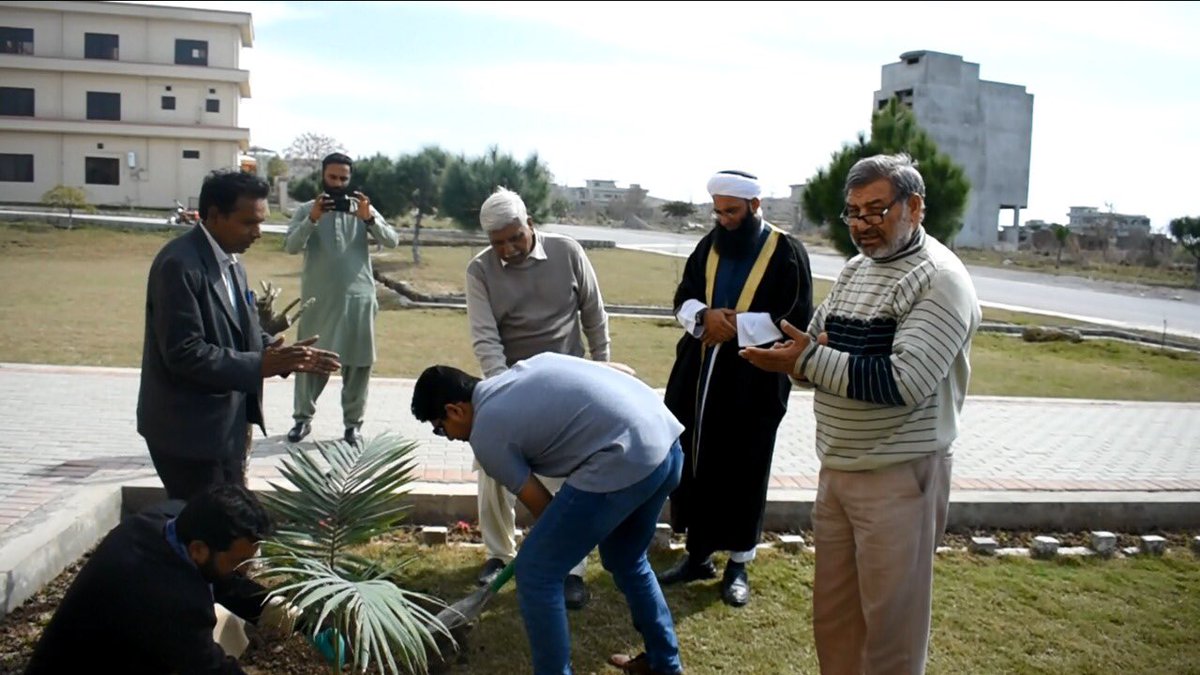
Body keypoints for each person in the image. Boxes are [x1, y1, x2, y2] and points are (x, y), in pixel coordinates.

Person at [741, 154, 981, 674]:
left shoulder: (938, 279)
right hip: (840, 471)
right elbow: (820, 345)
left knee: (891, 634)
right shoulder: (856, 270)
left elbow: (904, 381)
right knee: (835, 622)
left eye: (876, 211)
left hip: (899, 477)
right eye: (852, 213)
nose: (862, 227)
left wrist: (809, 358)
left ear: (914, 207)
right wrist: (800, 363)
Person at [411, 354, 683, 675]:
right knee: (626, 558)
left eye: (442, 430)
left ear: (455, 409)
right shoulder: (525, 368)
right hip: (667, 445)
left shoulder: (485, 433)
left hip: (622, 458)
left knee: (537, 573)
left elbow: (543, 505)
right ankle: (664, 664)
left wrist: (542, 547)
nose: (452, 438)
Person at [657, 170, 813, 607]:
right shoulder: (709, 245)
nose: (722, 218)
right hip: (699, 376)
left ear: (754, 208)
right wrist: (705, 316)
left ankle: (739, 562)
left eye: (731, 211)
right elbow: (683, 297)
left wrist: (734, 326)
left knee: (745, 465)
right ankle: (698, 555)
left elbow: (795, 315)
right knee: (696, 461)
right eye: (718, 210)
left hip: (754, 379)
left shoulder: (787, 252)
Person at [137, 170, 341, 502]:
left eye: (261, 222)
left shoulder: (232, 262)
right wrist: (262, 363)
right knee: (206, 532)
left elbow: (244, 330)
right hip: (188, 433)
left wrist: (282, 355)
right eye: (249, 223)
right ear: (214, 216)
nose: (258, 233)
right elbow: (185, 353)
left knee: (227, 526)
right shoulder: (179, 265)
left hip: (224, 429)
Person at [464, 186, 610, 608]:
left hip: (573, 386)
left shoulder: (568, 252)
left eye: (515, 237)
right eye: (498, 243)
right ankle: (498, 554)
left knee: (572, 476)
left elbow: (595, 318)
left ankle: (571, 569)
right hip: (510, 385)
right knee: (492, 466)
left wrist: (602, 375)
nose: (508, 249)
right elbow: (485, 340)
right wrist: (511, 394)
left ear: (531, 224)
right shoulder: (479, 272)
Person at [25, 484, 278, 674]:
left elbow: (223, 578)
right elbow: (209, 668)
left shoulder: (170, 519)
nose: (243, 570)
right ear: (199, 549)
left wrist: (277, 607)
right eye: (236, 562)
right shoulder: (173, 601)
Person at [284, 152, 399, 446]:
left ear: (350, 180)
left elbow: (392, 241)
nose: (337, 183)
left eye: (343, 178)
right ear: (323, 176)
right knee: (310, 360)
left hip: (359, 299)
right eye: (332, 177)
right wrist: (312, 219)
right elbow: (290, 247)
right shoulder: (308, 209)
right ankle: (302, 420)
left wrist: (369, 218)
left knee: (359, 363)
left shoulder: (362, 210)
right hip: (318, 301)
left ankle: (352, 425)